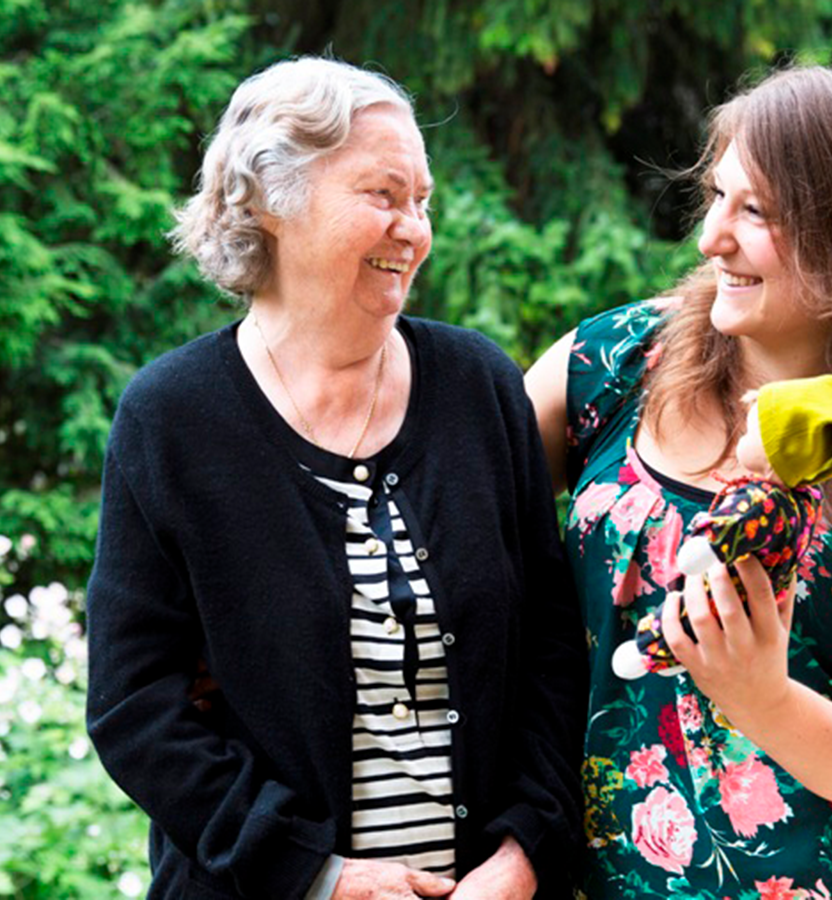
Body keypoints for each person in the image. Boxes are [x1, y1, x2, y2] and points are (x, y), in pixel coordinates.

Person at [86, 57, 585, 900]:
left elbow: (548, 646)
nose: (413, 229)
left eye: (421, 202)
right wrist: (316, 875)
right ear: (267, 202)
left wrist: (525, 849)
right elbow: (135, 707)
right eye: (383, 196)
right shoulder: (172, 417)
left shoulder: (478, 385)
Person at [525, 66, 832, 898]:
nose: (713, 237)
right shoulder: (612, 363)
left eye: (755, 212)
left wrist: (763, 699)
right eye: (716, 197)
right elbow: (447, 520)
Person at [612, 374, 832, 681]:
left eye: (750, 433)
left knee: (690, 610)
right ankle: (676, 654)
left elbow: (732, 525)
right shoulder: (806, 500)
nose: (742, 438)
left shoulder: (762, 500)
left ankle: (646, 652)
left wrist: (706, 544)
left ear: (778, 451)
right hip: (765, 594)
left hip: (733, 584)